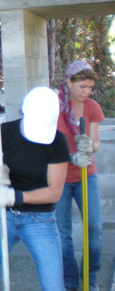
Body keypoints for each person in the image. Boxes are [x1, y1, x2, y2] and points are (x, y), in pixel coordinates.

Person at [0, 86, 70, 291]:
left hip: (40, 219)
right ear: (24, 111)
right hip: (4, 216)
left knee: (54, 287)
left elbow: (54, 192)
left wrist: (16, 196)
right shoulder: (5, 132)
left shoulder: (57, 141)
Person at [55, 60, 105, 291]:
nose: (86, 92)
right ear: (69, 82)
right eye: (82, 86)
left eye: (90, 88)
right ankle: (70, 280)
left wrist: (89, 147)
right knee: (62, 233)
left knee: (94, 229)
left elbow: (96, 142)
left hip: (87, 175)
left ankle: (89, 278)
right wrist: (69, 157)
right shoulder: (55, 106)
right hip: (60, 177)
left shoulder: (92, 107)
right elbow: (46, 144)